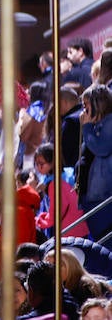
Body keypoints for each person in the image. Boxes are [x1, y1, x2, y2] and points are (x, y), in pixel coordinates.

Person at [77, 83, 112, 242]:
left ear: (98, 104)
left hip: (104, 195)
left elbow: (102, 148)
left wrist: (87, 128)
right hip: (94, 194)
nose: (83, 111)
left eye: (86, 106)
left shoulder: (109, 123)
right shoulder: (96, 125)